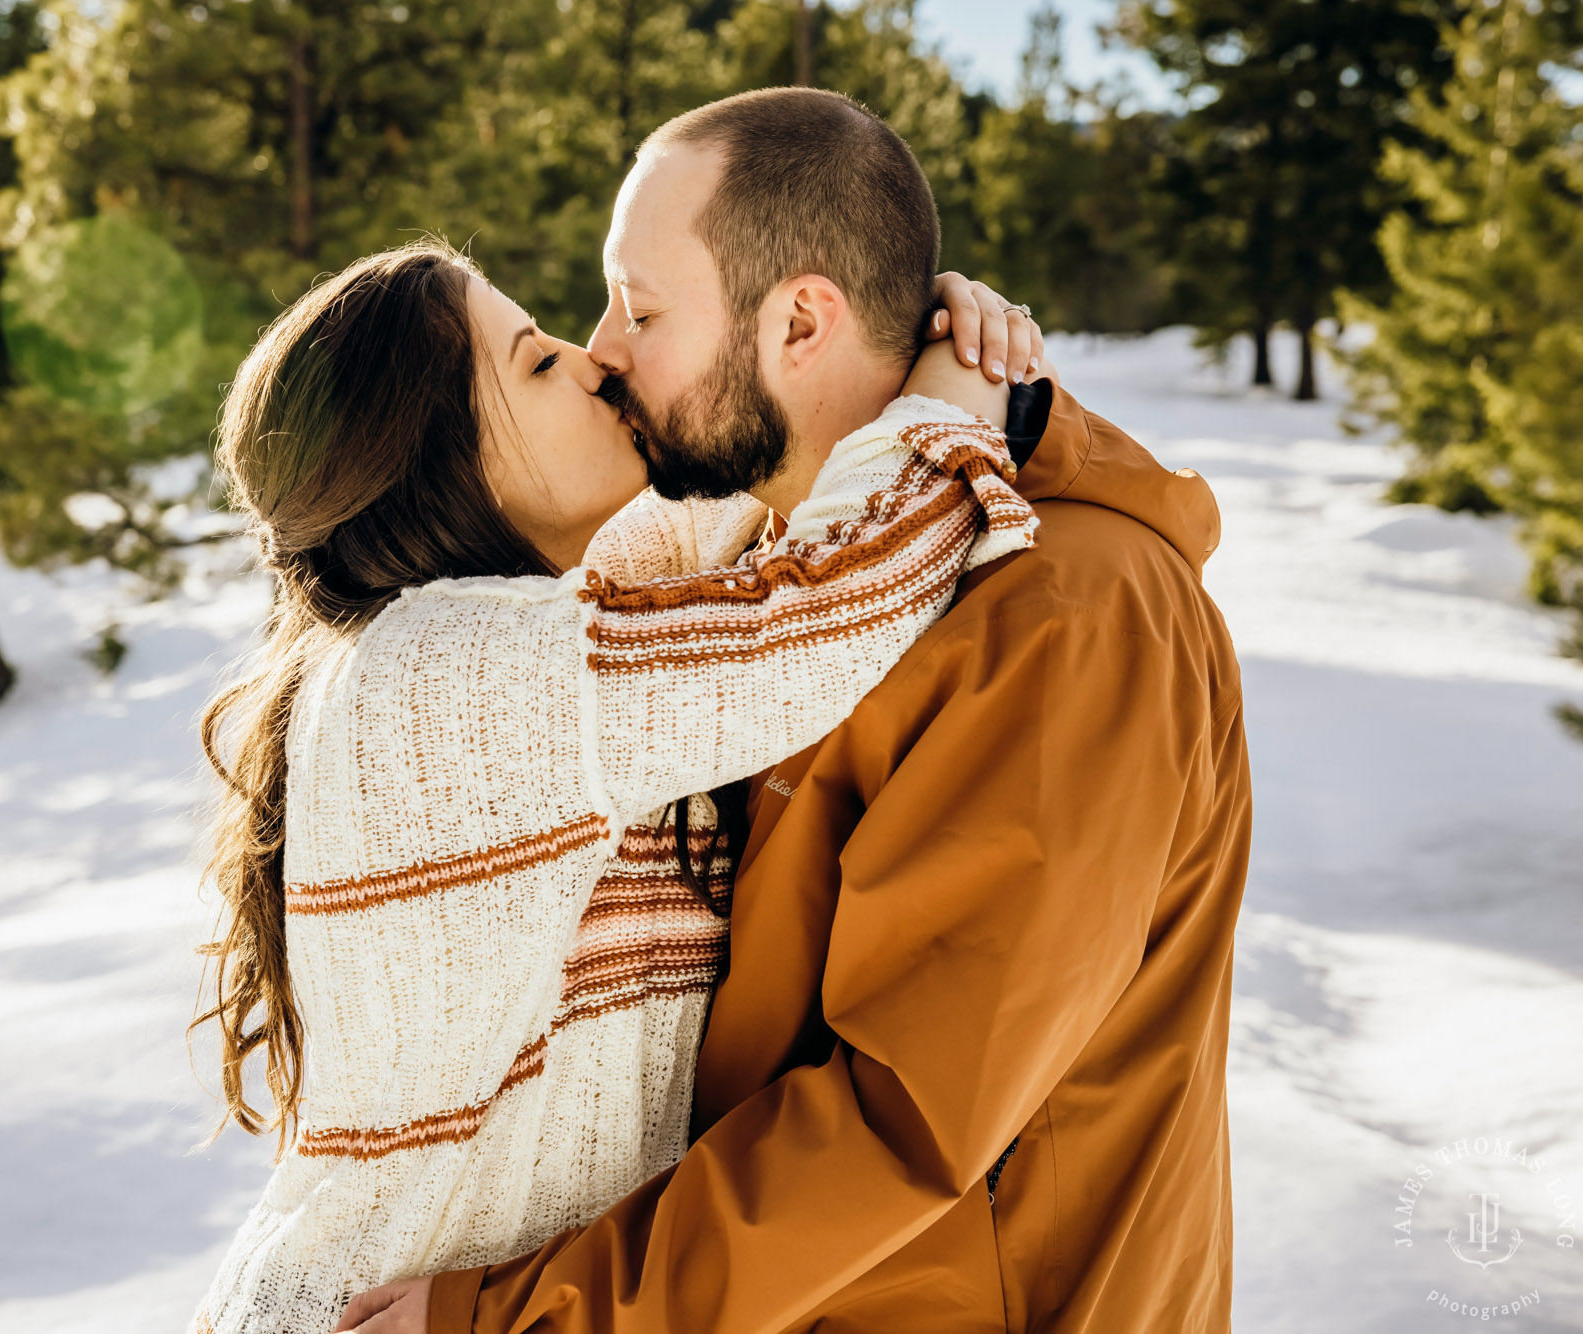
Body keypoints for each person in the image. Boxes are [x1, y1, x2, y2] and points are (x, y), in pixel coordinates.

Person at [340, 89, 1250, 1334]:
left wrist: (520, 1319)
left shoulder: (1066, 614)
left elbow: (904, 1113)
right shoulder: (766, 569)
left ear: (801, 320)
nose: (604, 349)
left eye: (641, 308)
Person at [188, 230, 1042, 1334]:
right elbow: (817, 610)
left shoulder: (523, 623)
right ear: (441, 461)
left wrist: (889, 334)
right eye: (536, 363)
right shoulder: (447, 671)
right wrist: (943, 408)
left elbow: (751, 493)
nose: (591, 361)